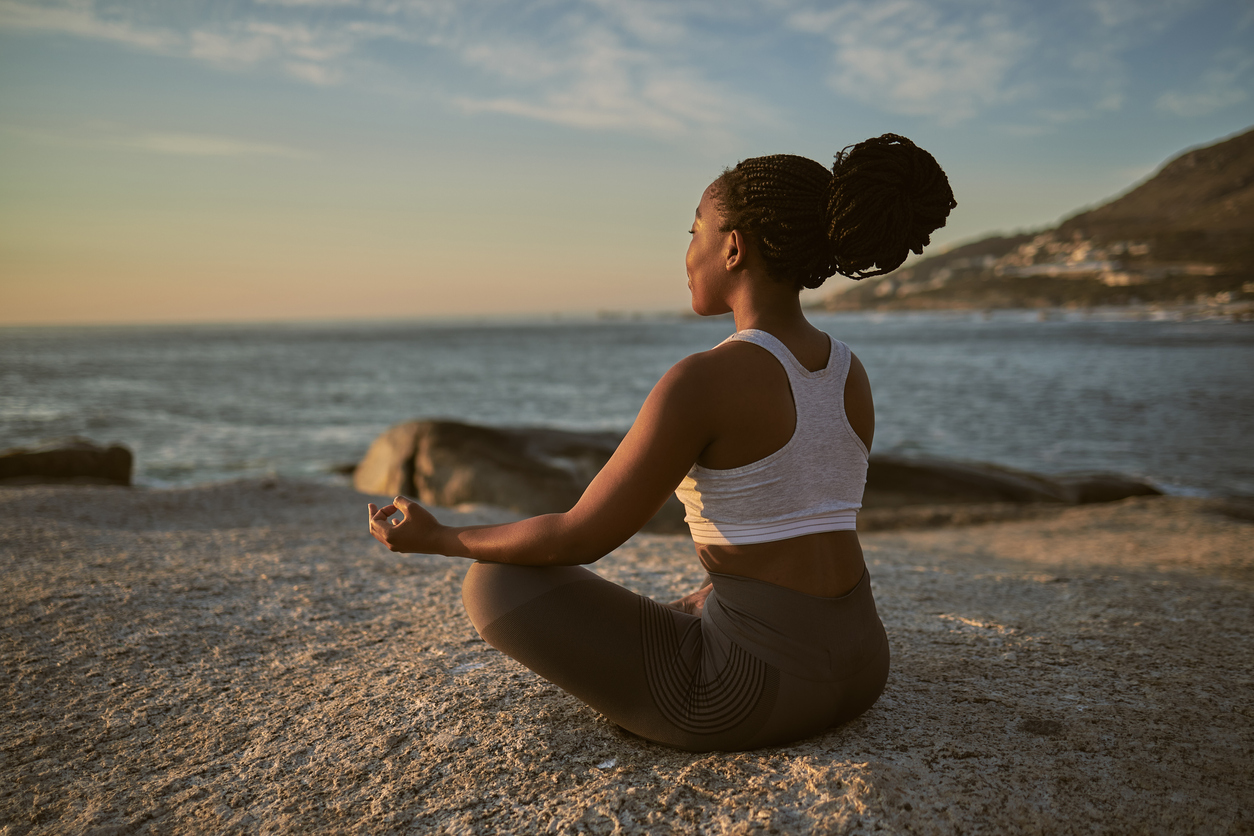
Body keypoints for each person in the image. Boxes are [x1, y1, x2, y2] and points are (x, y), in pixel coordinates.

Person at [368, 134, 956, 752]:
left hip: (748, 697)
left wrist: (439, 538)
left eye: (693, 229)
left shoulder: (703, 380)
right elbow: (799, 523)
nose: (687, 251)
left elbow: (579, 537)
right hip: (864, 667)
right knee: (703, 597)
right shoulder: (848, 371)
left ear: (733, 247)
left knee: (494, 583)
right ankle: (719, 612)